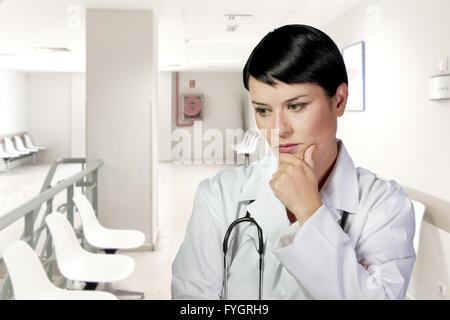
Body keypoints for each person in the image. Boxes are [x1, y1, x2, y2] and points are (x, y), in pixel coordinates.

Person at [171, 24, 416, 299]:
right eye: (263, 110)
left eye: (296, 106)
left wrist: (310, 211)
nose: (279, 129)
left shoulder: (384, 205)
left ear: (339, 100)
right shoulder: (219, 195)